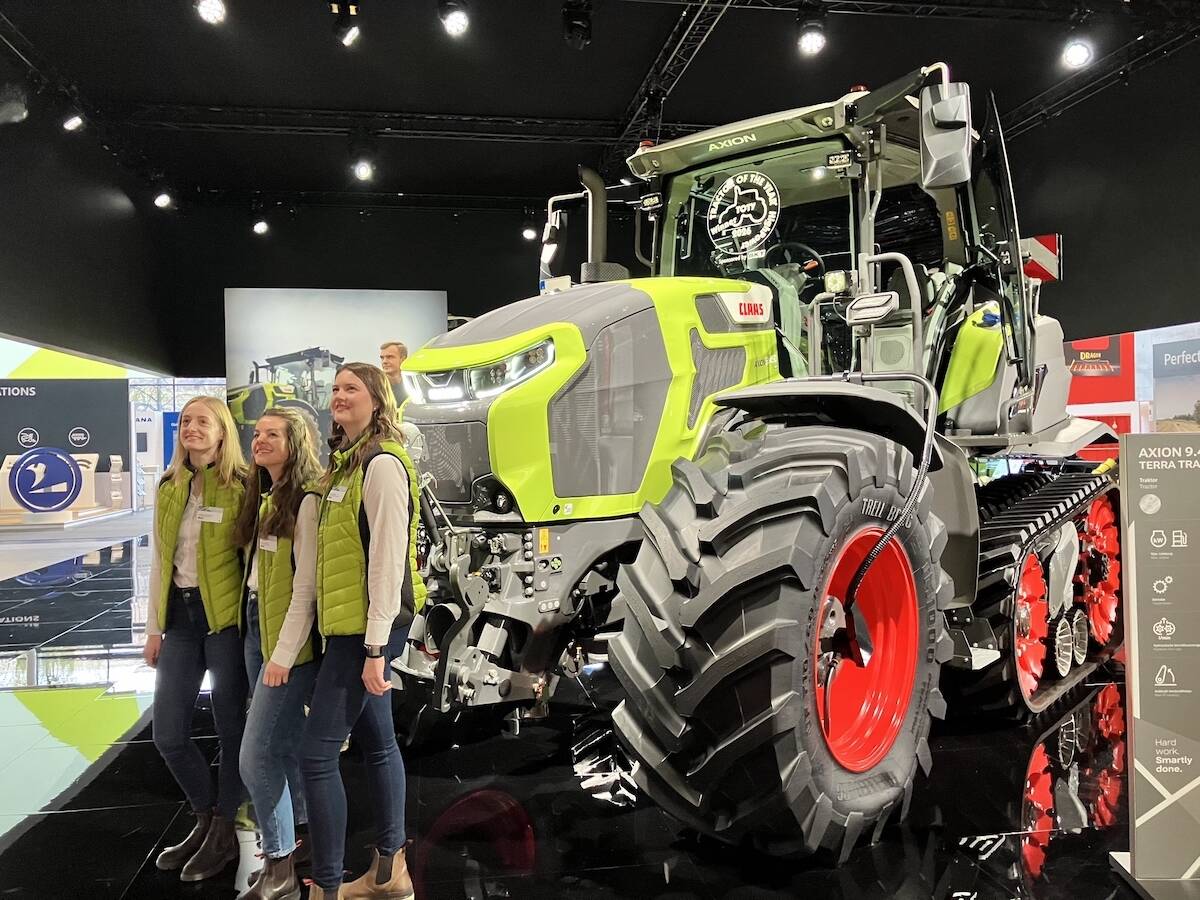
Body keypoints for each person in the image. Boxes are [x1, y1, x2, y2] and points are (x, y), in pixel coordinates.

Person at [301, 362, 425, 900]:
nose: (338, 396)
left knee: (316, 754)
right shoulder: (345, 467)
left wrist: (375, 647)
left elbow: (386, 564)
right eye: (334, 389)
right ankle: (390, 872)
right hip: (352, 629)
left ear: (377, 400)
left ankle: (326, 886)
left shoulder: (381, 466)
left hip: (367, 632)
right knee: (378, 744)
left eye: (351, 388)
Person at [144, 395, 249, 883]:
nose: (191, 428)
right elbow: (160, 563)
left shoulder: (244, 488)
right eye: (186, 422)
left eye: (202, 421)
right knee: (168, 734)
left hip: (225, 623)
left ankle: (225, 832)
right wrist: (152, 628)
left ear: (222, 431)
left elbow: (257, 566)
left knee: (231, 733)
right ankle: (205, 817)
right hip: (180, 622)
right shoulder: (170, 486)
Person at [233, 407, 323, 900]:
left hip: (284, 641)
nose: (260, 441)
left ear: (296, 443)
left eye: (273, 435)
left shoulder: (304, 501)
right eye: (258, 433)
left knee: (256, 756)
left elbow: (305, 589)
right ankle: (299, 841)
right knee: (282, 746)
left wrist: (283, 655)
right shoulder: (262, 492)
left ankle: (281, 861)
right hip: (255, 626)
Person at [379, 341, 407, 406]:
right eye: (382, 358)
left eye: (389, 357)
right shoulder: (376, 385)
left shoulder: (414, 384)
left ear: (403, 359)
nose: (384, 361)